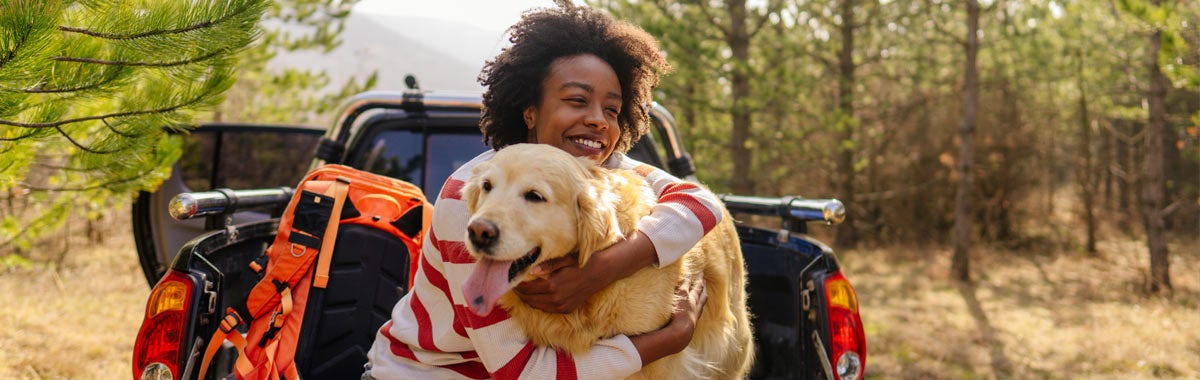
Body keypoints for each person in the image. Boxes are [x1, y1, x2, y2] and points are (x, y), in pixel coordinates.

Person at [365, 4, 726, 379]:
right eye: (577, 100)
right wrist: (669, 339)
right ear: (530, 111)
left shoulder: (600, 171)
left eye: (613, 110)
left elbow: (701, 203)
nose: (597, 119)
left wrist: (601, 270)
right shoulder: (473, 196)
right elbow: (524, 373)